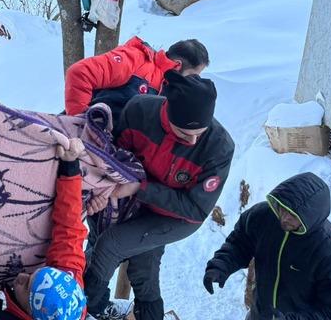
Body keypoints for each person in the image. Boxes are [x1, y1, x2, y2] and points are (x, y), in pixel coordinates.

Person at [84, 71, 234, 320]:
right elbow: (116, 159)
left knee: (110, 245)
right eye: (185, 133)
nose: (194, 139)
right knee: (144, 268)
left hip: (178, 216)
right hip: (136, 198)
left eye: (200, 132)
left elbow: (196, 209)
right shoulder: (139, 112)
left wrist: (141, 188)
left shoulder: (219, 147)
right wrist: (104, 192)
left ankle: (91, 307)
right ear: (167, 111)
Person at [203, 172, 331, 320]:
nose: (285, 218)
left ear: (310, 218)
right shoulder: (263, 216)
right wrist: (221, 265)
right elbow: (239, 243)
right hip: (260, 314)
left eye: (294, 215)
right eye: (284, 208)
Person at [0, 137, 88, 320]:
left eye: (26, 287)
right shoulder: (67, 292)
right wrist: (70, 169)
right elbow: (70, 228)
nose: (22, 276)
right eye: (33, 275)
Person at [64, 38, 208, 119]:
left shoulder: (172, 90)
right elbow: (80, 72)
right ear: (178, 65)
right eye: (193, 75)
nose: (193, 81)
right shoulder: (135, 59)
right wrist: (79, 123)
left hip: (118, 154)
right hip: (91, 137)